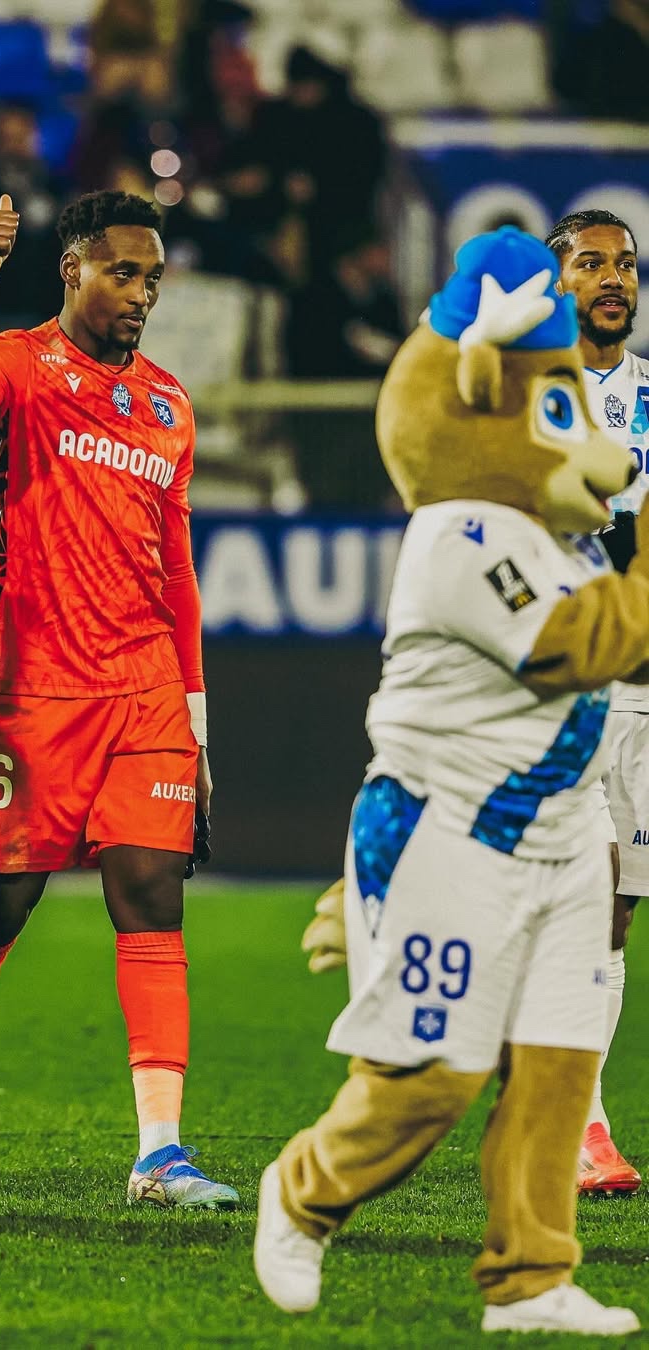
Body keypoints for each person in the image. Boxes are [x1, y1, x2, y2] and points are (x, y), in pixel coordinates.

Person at [254, 227, 644, 1335]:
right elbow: (586, 645)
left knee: (558, 1069)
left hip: (563, 833)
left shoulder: (553, 534)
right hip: (451, 836)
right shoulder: (462, 531)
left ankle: (532, 1276)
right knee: (431, 1076)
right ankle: (305, 1192)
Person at [0, 188, 237, 1210]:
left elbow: (177, 573)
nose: (140, 295)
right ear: (75, 268)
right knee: (0, 907)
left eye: (153, 279)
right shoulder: (17, 361)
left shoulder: (171, 405)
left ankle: (161, 1153)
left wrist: (195, 718)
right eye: (123, 273)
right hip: (31, 685)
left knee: (152, 897)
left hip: (141, 686)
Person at [547, 207, 646, 1196]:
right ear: (556, 281)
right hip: (573, 691)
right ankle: (583, 1123)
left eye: (623, 263)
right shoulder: (524, 397)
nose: (612, 277)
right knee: (594, 909)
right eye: (590, 263)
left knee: (615, 910)